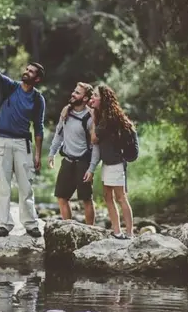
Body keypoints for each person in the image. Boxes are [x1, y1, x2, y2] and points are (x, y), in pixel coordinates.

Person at [0, 37, 46, 238]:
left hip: (23, 144)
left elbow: (38, 128)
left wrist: (38, 155)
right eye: (27, 69)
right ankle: (4, 224)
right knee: (2, 184)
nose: (26, 72)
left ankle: (30, 224)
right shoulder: (10, 87)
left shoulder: (38, 99)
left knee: (26, 186)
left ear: (37, 79)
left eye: (31, 72)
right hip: (1, 141)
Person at [88, 84, 139, 239]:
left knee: (120, 197)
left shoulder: (108, 119)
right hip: (108, 163)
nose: (93, 98)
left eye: (95, 95)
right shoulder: (106, 116)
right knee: (108, 197)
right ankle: (117, 232)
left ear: (103, 99)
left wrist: (92, 118)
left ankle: (129, 234)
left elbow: (94, 138)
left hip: (116, 163)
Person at [47, 82, 100, 226]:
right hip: (68, 161)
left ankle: (90, 231)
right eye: (74, 91)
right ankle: (68, 229)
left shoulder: (90, 118)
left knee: (86, 199)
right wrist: (52, 153)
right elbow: (59, 134)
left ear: (84, 98)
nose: (73, 94)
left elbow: (96, 146)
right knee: (61, 197)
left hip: (83, 163)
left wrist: (92, 168)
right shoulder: (66, 113)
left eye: (77, 93)